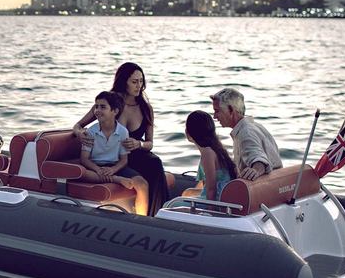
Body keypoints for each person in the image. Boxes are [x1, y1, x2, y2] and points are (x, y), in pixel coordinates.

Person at [72, 62, 168, 214]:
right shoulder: (109, 103)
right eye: (134, 82)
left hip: (134, 155)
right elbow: (78, 125)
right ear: (124, 82)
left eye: (141, 81)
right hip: (113, 155)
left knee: (154, 163)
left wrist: (138, 144)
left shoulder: (146, 108)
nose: (139, 86)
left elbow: (150, 144)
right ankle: (151, 215)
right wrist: (79, 134)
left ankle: (158, 214)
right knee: (152, 166)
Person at [77, 91, 151, 216]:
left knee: (142, 184)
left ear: (115, 111)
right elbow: (84, 159)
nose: (97, 110)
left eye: (103, 107)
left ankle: (141, 219)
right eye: (96, 106)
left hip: (115, 166)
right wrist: (98, 169)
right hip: (94, 166)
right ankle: (117, 180)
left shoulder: (123, 132)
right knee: (83, 174)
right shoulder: (90, 132)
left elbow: (124, 161)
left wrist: (112, 170)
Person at [210, 87, 283, 181]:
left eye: (217, 111)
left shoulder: (245, 133)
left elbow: (258, 158)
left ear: (231, 110)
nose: (214, 116)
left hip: (262, 189)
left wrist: (256, 170)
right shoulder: (255, 126)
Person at [185, 110, 237, 200]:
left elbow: (211, 189)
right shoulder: (215, 149)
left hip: (216, 202)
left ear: (189, 132)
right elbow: (206, 185)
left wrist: (209, 212)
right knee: (187, 193)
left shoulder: (207, 153)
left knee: (169, 205)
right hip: (218, 198)